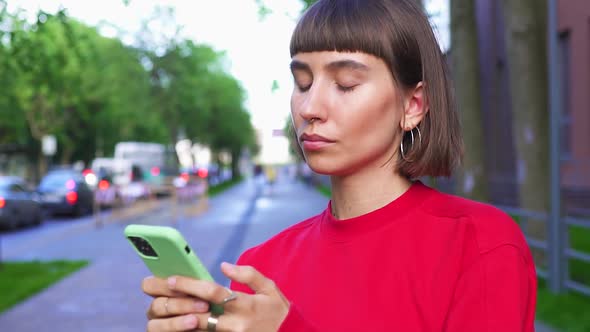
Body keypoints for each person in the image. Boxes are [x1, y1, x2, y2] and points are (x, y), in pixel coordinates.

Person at [140, 0, 537, 331]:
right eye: (303, 82)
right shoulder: (258, 268)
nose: (310, 108)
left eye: (346, 83)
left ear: (413, 105)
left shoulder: (481, 245)